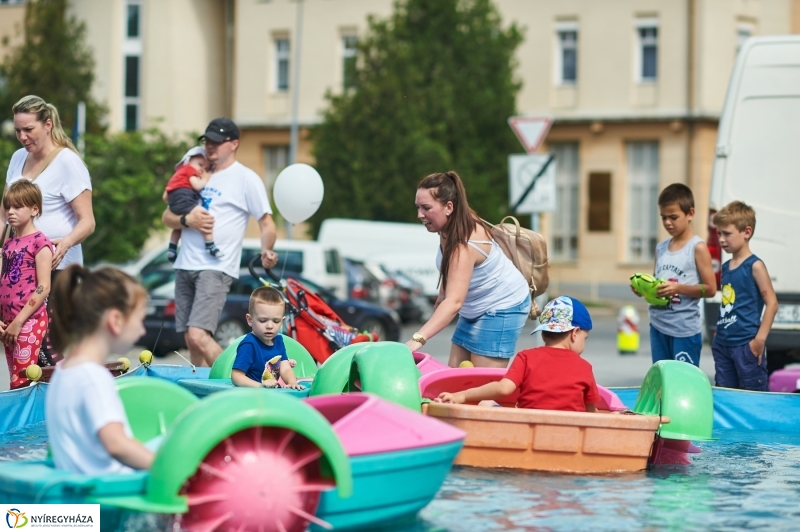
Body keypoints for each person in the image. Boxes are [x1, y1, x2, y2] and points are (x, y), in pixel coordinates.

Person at [161, 118, 279, 367]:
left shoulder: (246, 178)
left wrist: (266, 250)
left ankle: (236, 379)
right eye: (207, 140)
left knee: (199, 334)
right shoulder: (197, 170)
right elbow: (166, 216)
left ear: (234, 144)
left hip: (216, 266)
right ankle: (198, 389)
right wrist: (187, 219)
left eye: (217, 141)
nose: (210, 146)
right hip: (185, 264)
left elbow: (266, 222)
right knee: (190, 339)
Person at [3, 95, 96, 365]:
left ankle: (66, 397)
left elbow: (88, 221)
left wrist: (64, 243)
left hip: (57, 268)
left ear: (47, 124)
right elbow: (3, 214)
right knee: (26, 348)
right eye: (17, 130)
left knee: (48, 345)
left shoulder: (68, 162)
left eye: (28, 129)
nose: (22, 136)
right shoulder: (18, 158)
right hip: (20, 268)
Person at [405, 171, 530, 368]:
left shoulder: (463, 244)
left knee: (481, 386)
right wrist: (440, 298)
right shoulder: (449, 224)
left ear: (449, 207)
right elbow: (450, 278)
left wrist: (416, 340)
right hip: (475, 307)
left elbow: (454, 302)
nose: (420, 214)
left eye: (426, 208)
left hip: (502, 306)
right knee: (455, 376)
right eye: (418, 207)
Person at [45, 266, 153, 474]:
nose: (142, 330)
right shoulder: (93, 377)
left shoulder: (64, 371)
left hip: (80, 493)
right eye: (140, 319)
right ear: (116, 321)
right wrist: (166, 467)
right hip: (110, 497)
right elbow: (116, 443)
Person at [437, 296, 600, 412]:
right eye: (585, 338)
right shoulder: (584, 367)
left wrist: (462, 395)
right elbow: (590, 412)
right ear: (575, 333)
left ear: (543, 334)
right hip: (568, 434)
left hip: (528, 429)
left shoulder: (527, 357)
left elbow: (503, 389)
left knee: (486, 403)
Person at [632, 184, 716, 366]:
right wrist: (644, 289)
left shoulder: (697, 247)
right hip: (658, 326)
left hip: (684, 331)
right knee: (663, 380)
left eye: (673, 217)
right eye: (663, 217)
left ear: (690, 213)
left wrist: (678, 288)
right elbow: (656, 286)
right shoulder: (661, 248)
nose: (668, 222)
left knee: (684, 382)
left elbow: (711, 289)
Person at [711, 201, 777, 391]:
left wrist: (759, 340)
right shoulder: (725, 269)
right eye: (719, 233)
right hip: (723, 345)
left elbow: (772, 303)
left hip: (746, 346)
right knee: (727, 397)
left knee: (752, 398)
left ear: (746, 232)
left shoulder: (755, 266)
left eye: (727, 233)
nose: (722, 239)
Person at [0, 181, 53, 389]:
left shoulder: (40, 242)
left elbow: (44, 287)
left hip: (29, 319)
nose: (11, 212)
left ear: (34, 209)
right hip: (8, 322)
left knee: (21, 380)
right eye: (8, 207)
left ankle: (24, 421)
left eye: (17, 206)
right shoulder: (8, 244)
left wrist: (19, 321)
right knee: (14, 379)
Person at [231, 286, 304, 390]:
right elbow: (236, 376)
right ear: (250, 320)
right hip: (252, 396)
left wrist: (292, 382)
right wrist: (260, 386)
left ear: (282, 321)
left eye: (276, 321)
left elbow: (286, 368)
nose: (270, 326)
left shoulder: (279, 341)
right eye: (263, 320)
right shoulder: (249, 345)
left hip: (271, 395)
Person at [163, 146, 222, 263]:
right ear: (188, 160)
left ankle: (172, 248)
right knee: (205, 217)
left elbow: (165, 197)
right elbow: (197, 186)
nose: (201, 170)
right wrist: (205, 178)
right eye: (200, 165)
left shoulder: (176, 175)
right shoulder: (189, 169)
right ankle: (210, 246)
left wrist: (174, 202)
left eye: (205, 169)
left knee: (177, 227)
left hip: (174, 201)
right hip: (185, 199)